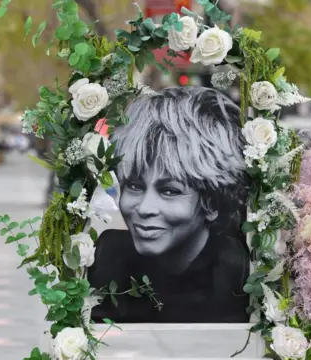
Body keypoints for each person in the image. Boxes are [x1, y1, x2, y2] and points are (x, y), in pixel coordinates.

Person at [88, 87, 251, 323]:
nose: (145, 208)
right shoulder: (106, 259)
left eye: (169, 191)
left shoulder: (234, 276)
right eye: (134, 186)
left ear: (212, 202)